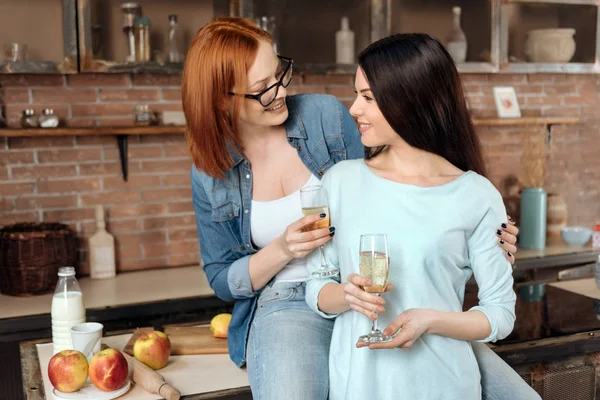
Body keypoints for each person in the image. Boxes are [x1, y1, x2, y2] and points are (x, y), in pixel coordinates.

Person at [182, 17, 528, 400]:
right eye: (262, 89)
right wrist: (283, 250)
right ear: (221, 99)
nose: (280, 91)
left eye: (280, 74)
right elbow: (221, 277)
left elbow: (403, 165)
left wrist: (481, 230)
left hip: (389, 287)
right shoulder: (211, 171)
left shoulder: (323, 116)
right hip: (292, 299)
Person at [305, 33, 541, 400]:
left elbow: (499, 315)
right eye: (357, 94)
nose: (353, 108)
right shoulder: (337, 183)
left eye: (367, 97)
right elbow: (316, 286)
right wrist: (347, 295)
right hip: (360, 386)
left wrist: (431, 320)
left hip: (444, 385)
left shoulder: (477, 196)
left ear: (408, 99)